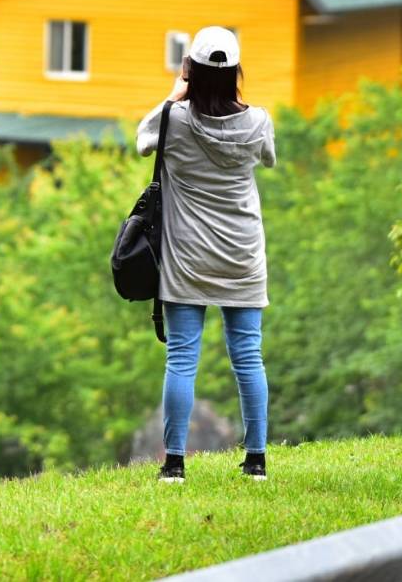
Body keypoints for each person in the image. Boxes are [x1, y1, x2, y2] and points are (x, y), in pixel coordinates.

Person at [136, 26, 275, 484]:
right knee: (248, 356)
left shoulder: (171, 118)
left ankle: (174, 464)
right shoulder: (258, 121)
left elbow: (142, 139)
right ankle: (256, 462)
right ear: (237, 72)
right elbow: (268, 158)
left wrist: (177, 91)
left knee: (181, 358)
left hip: (187, 256)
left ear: (189, 70)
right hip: (241, 255)